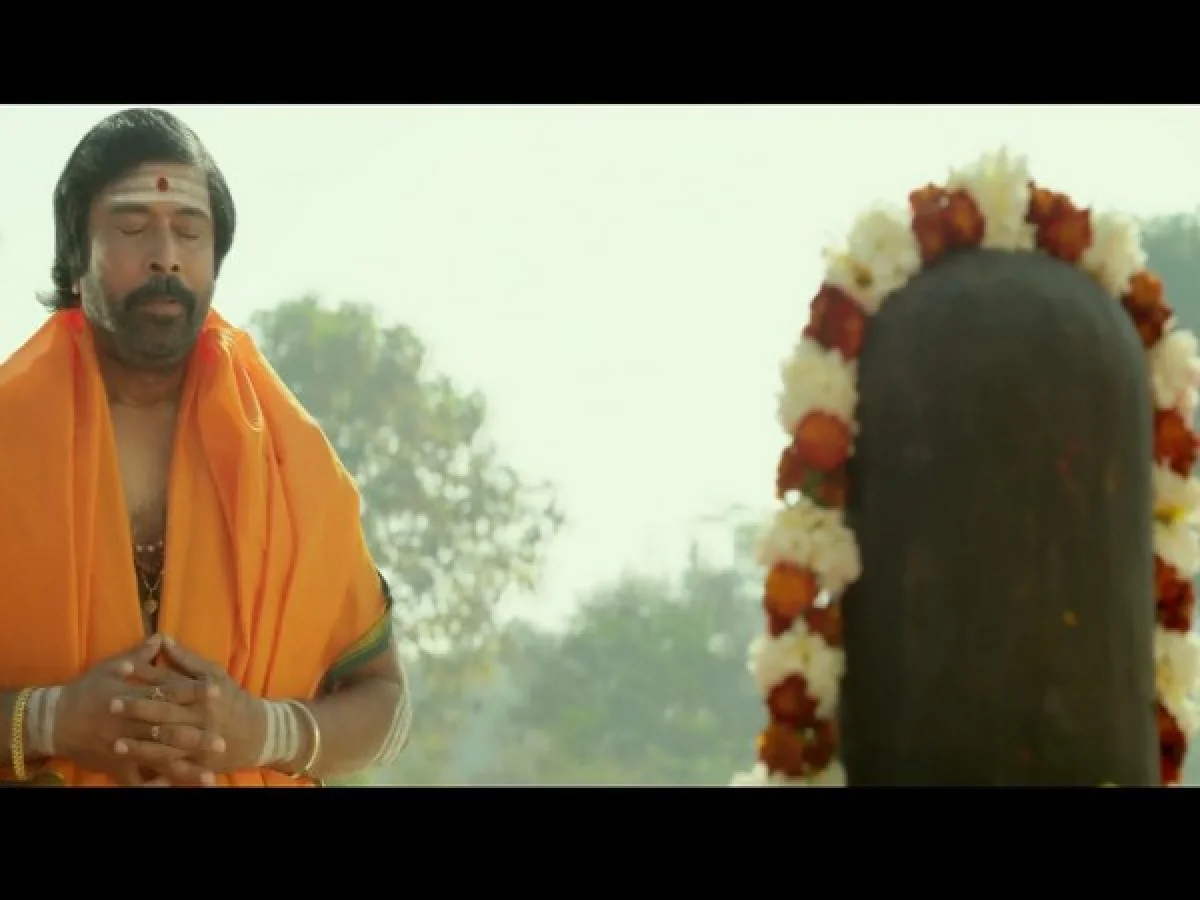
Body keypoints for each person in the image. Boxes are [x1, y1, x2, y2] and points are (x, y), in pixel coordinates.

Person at [0, 107, 412, 786]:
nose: (166, 255)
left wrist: (264, 731)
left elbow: (386, 706)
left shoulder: (290, 461)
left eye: (190, 231)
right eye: (133, 227)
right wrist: (45, 722)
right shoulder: (9, 438)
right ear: (75, 256)